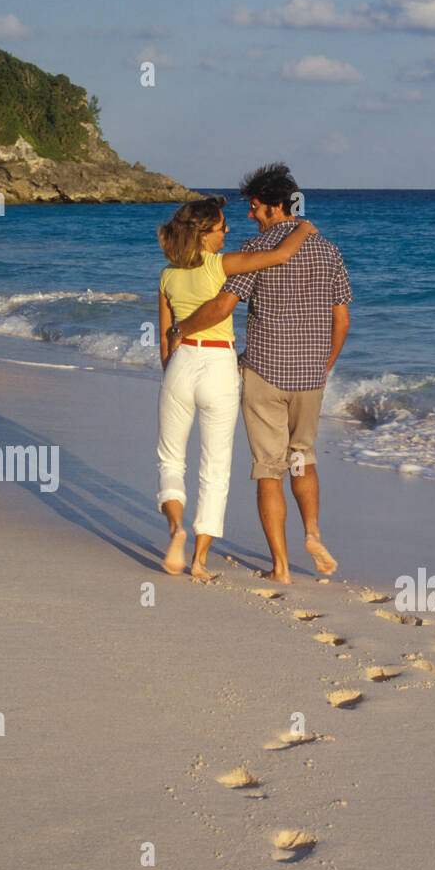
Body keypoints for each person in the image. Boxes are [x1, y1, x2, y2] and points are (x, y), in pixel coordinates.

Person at [170, 162, 351, 584]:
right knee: (302, 457)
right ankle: (312, 532)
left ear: (268, 206)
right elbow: (341, 320)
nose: (248, 216)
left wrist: (181, 330)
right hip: (310, 375)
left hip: (265, 372)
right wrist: (325, 365)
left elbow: (223, 306)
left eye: (251, 207)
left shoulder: (257, 250)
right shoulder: (328, 249)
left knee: (269, 469)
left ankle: (282, 569)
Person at [156, 196, 316, 580]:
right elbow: (279, 256)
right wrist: (305, 227)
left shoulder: (167, 275)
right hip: (219, 366)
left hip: (181, 364)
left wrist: (172, 373)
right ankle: (198, 561)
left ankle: (176, 530)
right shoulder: (220, 265)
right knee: (215, 468)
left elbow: (166, 336)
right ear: (203, 235)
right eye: (221, 226)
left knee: (170, 458)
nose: (228, 230)